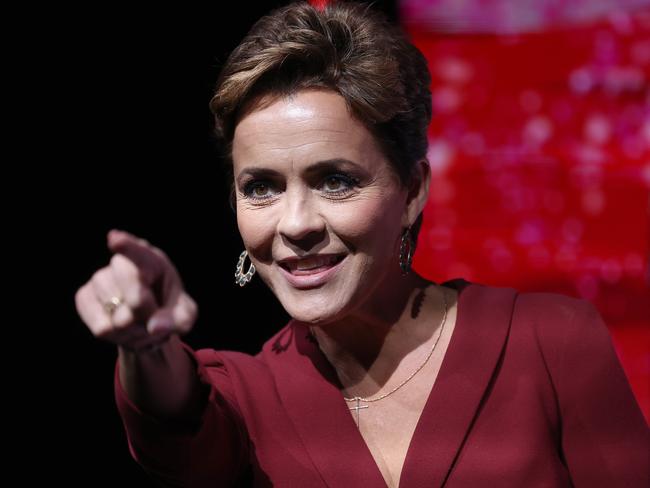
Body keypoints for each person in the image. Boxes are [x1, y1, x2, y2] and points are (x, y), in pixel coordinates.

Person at [74, 1, 649, 486]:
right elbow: (173, 419)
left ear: (413, 190)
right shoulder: (245, 398)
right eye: (262, 188)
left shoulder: (551, 342)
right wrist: (144, 344)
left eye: (336, 180)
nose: (295, 223)